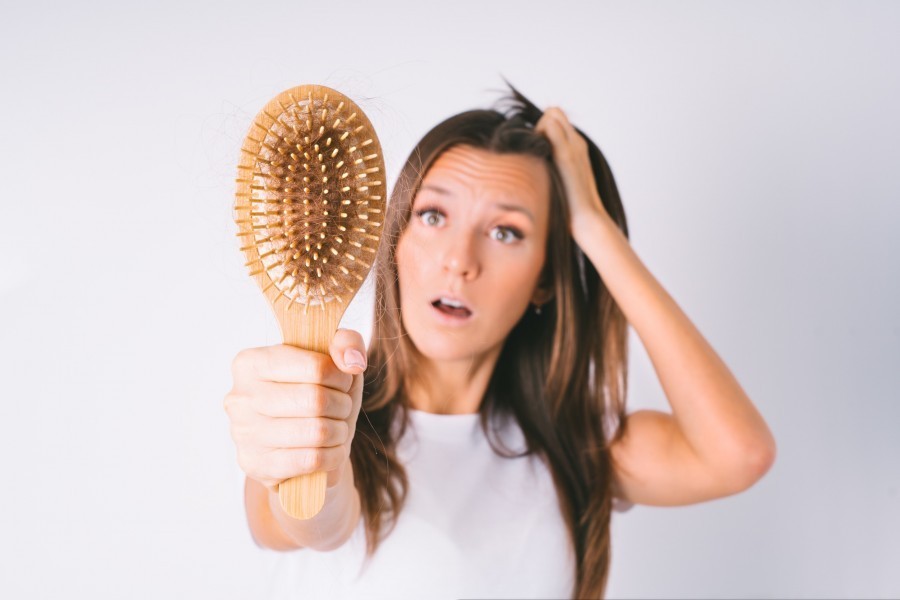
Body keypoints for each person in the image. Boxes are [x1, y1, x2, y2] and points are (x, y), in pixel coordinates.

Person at [223, 83, 777, 599]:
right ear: (393, 240)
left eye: (506, 231)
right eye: (434, 215)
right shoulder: (310, 421)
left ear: (543, 279)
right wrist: (312, 446)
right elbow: (313, 521)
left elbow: (737, 455)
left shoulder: (577, 447)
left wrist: (594, 227)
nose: (460, 261)